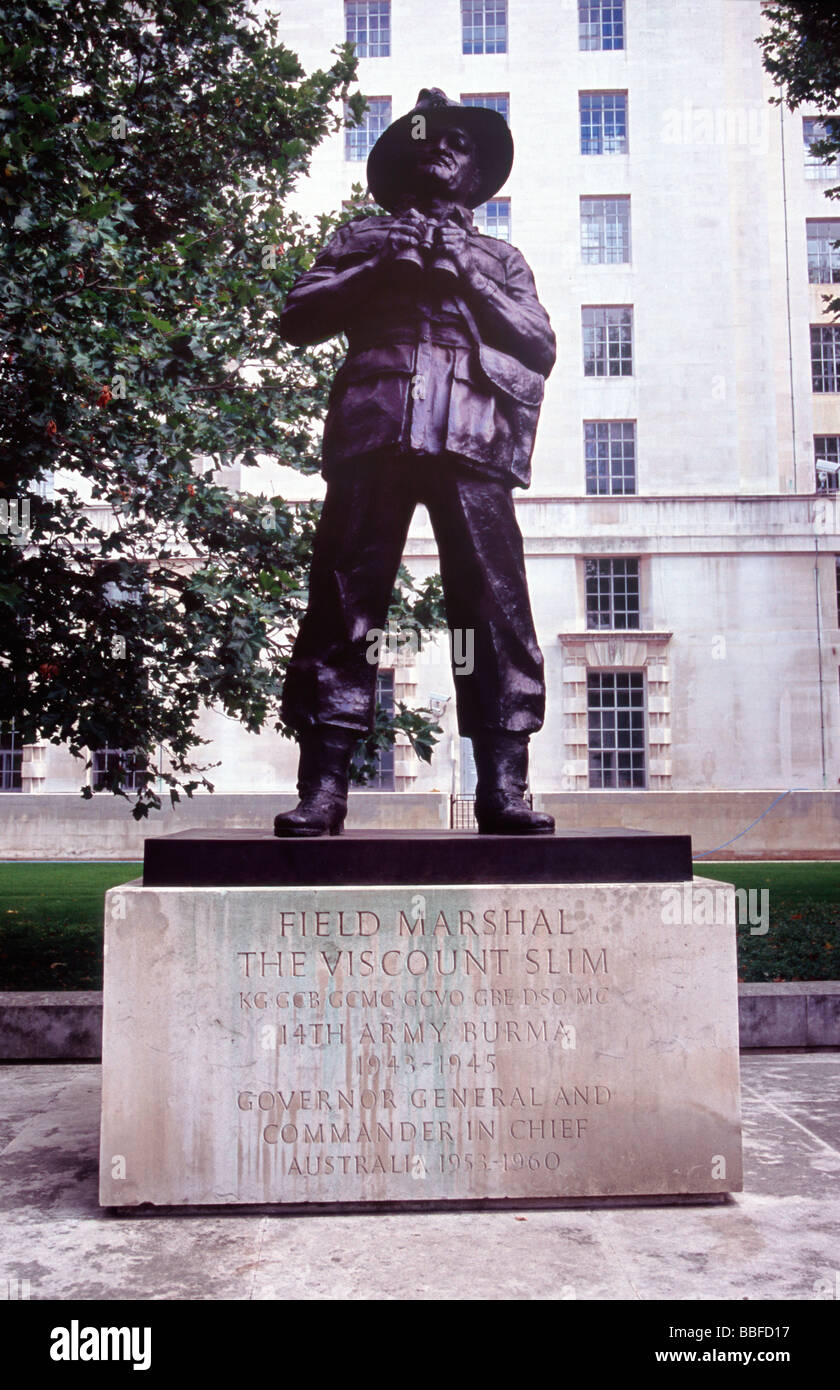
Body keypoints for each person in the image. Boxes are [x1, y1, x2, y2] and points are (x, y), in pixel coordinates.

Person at [274, 88, 556, 837]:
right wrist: (380, 271)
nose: (443, 149)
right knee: (343, 603)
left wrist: (469, 277)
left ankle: (503, 788)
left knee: (494, 606)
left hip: (472, 436)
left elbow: (539, 345)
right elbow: (298, 317)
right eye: (429, 141)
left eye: (459, 144)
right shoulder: (362, 238)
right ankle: (324, 788)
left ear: (475, 175)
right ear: (402, 163)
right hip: (377, 430)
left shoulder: (501, 257)